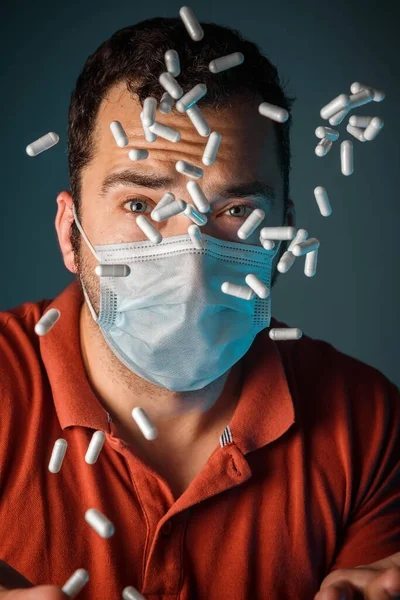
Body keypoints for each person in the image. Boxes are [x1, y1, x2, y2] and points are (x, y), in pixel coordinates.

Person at [0, 16, 399, 600]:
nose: (189, 262)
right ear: (69, 232)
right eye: (140, 201)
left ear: (285, 233)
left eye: (237, 210)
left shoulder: (365, 424)